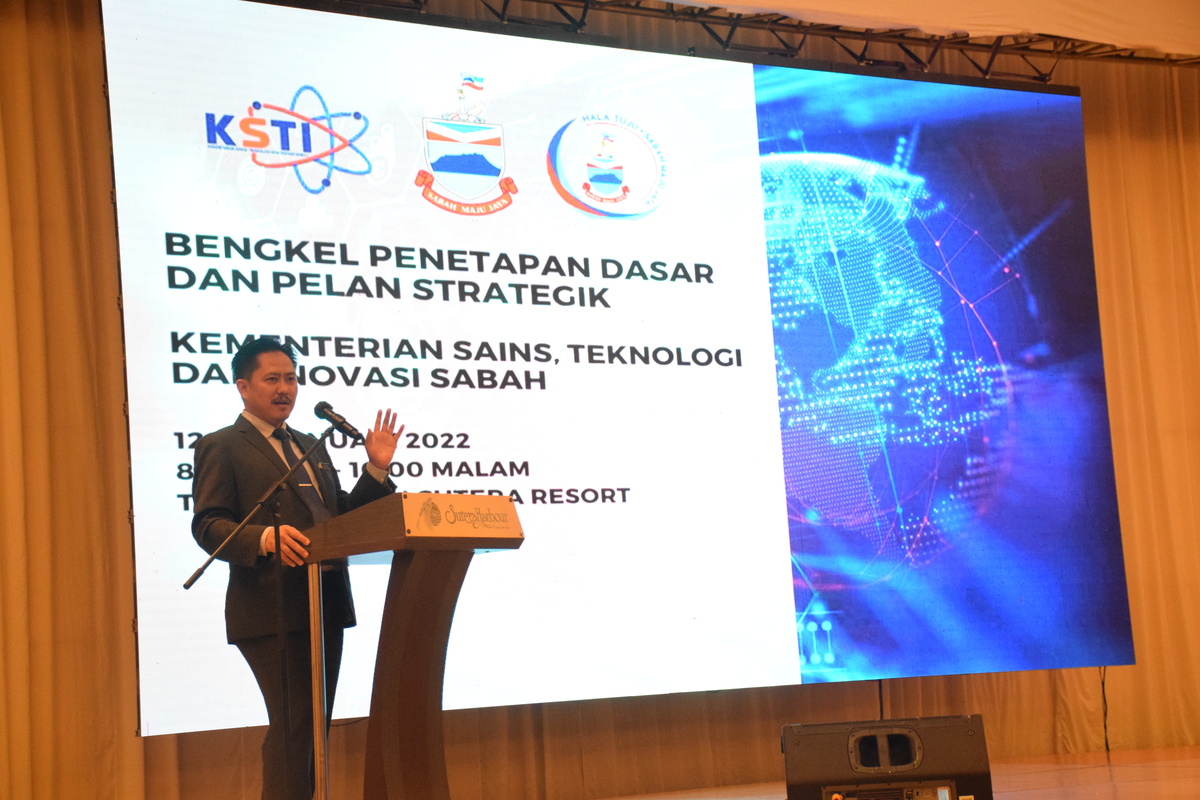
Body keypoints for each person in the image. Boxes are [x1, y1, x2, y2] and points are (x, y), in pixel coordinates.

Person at [191, 336, 401, 800]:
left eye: (290, 378)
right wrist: (266, 538)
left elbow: (338, 517)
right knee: (294, 729)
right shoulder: (221, 445)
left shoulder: (309, 444)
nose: (284, 388)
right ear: (243, 386)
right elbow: (208, 525)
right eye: (272, 379)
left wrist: (375, 471)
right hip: (271, 608)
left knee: (311, 730)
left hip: (325, 604)